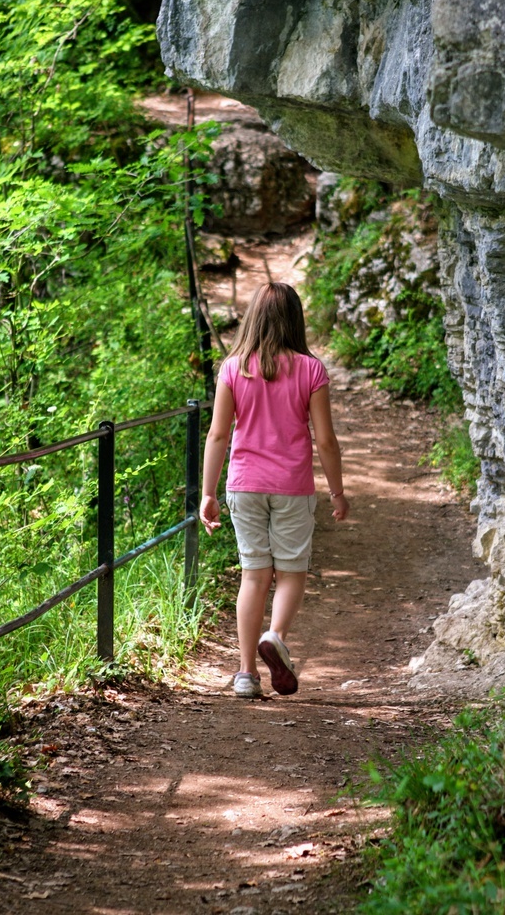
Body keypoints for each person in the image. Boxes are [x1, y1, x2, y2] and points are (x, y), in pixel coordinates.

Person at [199, 282, 349, 699]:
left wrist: (208, 493)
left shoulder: (233, 368)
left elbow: (217, 435)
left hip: (244, 485)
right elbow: (326, 440)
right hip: (292, 486)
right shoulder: (311, 370)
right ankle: (276, 636)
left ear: (253, 319)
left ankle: (246, 674)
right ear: (295, 320)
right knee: (292, 572)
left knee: (253, 575)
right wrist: (337, 492)